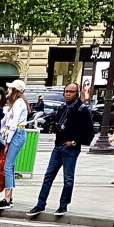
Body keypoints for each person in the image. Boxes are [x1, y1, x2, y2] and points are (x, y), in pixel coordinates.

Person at [27, 82, 94, 217]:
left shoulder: (81, 109)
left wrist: (74, 142)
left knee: (68, 178)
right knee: (48, 176)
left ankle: (63, 205)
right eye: (66, 91)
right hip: (58, 146)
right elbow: (59, 123)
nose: (68, 94)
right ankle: (40, 204)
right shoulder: (63, 107)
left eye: (71, 91)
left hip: (70, 148)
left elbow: (89, 132)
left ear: (77, 93)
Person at [0, 79, 29, 211]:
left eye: (11, 89)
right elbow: (7, 120)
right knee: (10, 166)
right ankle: (9, 197)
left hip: (17, 133)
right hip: (16, 133)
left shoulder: (19, 103)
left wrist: (8, 141)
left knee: (8, 166)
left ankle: (7, 199)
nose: (8, 90)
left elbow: (13, 124)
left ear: (16, 90)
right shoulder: (16, 103)